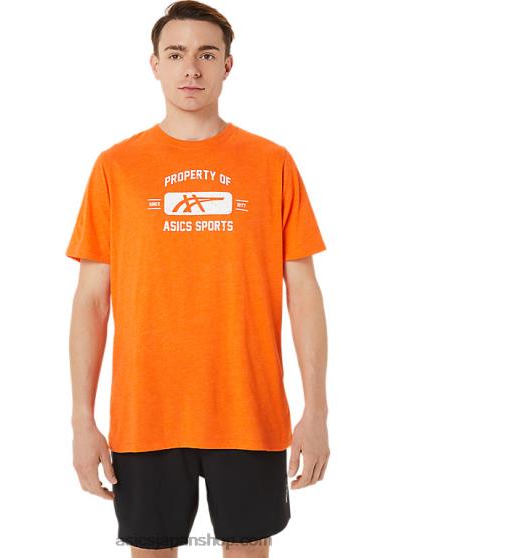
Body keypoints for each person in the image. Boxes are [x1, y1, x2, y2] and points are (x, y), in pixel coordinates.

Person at [65, 1, 330, 555]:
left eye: (207, 54)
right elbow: (91, 300)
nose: (191, 68)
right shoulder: (116, 167)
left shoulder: (272, 163)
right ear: (155, 65)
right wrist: (82, 420)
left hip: (250, 411)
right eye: (176, 54)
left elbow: (303, 293)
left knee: (249, 548)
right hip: (146, 415)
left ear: (227, 65)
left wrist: (317, 409)